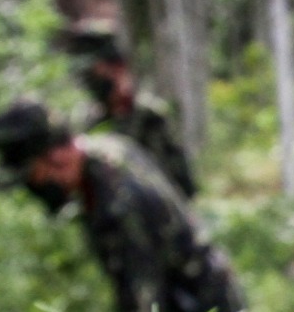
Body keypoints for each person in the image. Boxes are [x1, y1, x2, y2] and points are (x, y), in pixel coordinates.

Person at [0, 100, 242, 312]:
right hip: (198, 297)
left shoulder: (118, 203)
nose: (36, 189)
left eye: (35, 177)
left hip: (202, 308)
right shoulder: (107, 150)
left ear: (57, 158)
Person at [62, 20, 198, 199]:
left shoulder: (149, 115)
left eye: (94, 71)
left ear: (117, 67)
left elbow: (180, 183)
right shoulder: (86, 118)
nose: (88, 80)